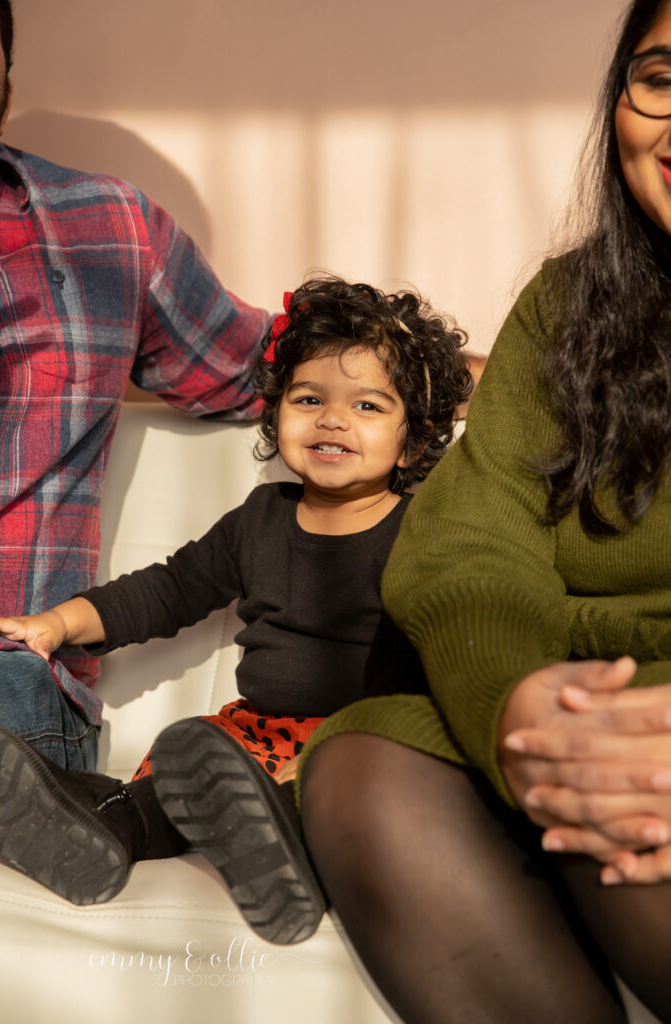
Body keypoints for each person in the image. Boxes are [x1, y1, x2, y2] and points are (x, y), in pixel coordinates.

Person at [290, 2, 671, 1022]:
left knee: (624, 797)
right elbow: (465, 543)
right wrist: (519, 707)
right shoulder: (570, 304)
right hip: (568, 705)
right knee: (361, 767)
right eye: (662, 80)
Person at [0, 275, 472, 945]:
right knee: (185, 766)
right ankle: (101, 831)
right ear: (276, 417)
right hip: (254, 735)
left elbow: (456, 634)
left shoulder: (426, 533)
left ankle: (288, 858)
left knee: (329, 792)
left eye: (366, 406)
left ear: (414, 440)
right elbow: (165, 591)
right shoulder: (258, 521)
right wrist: (59, 623)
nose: (331, 419)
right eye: (309, 399)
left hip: (358, 740)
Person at [0, 0, 270, 773]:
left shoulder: (105, 226)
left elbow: (262, 369)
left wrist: (476, 372)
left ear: (3, 64)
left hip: (7, 680)